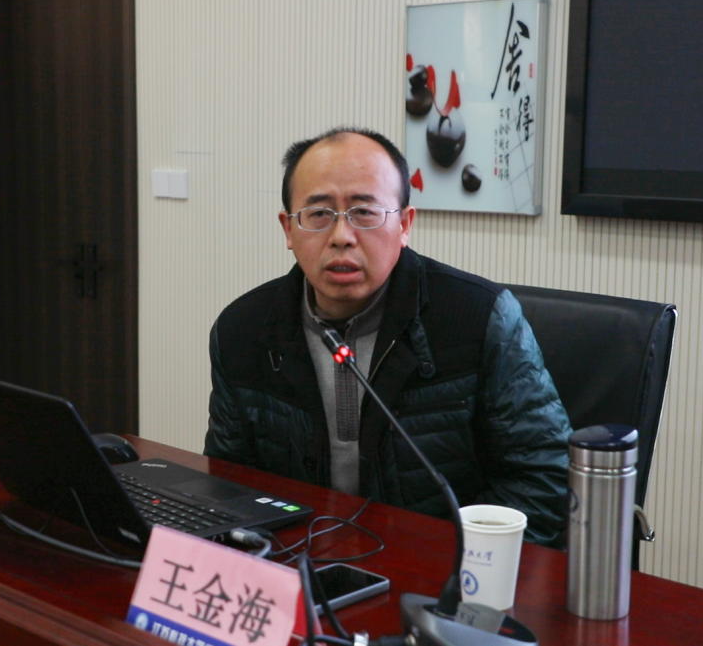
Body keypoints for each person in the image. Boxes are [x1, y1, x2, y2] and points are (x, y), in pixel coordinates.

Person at [204, 127, 572, 546]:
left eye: (364, 212)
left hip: (439, 568)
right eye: (319, 214)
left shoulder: (480, 319)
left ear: (404, 224)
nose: (341, 237)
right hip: (296, 562)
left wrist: (457, 566)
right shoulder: (242, 330)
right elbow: (229, 482)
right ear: (289, 229)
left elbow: (545, 478)